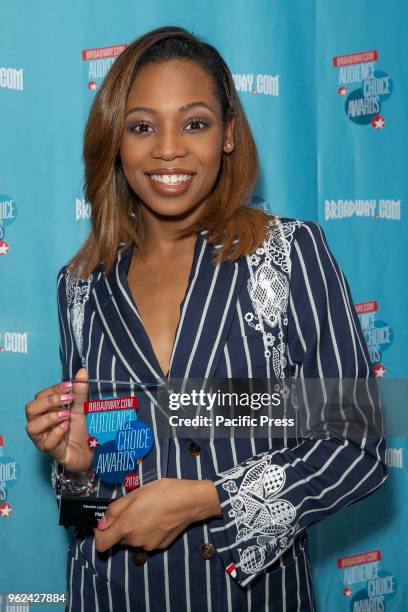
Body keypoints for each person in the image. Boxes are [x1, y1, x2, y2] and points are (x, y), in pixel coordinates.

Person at [25, 25, 388, 612]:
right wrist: (78, 468)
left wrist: (205, 500)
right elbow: (87, 502)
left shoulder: (287, 255)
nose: (168, 148)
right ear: (116, 141)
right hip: (109, 594)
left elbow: (356, 447)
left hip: (250, 597)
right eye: (142, 126)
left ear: (229, 135)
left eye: (194, 122)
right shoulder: (81, 286)